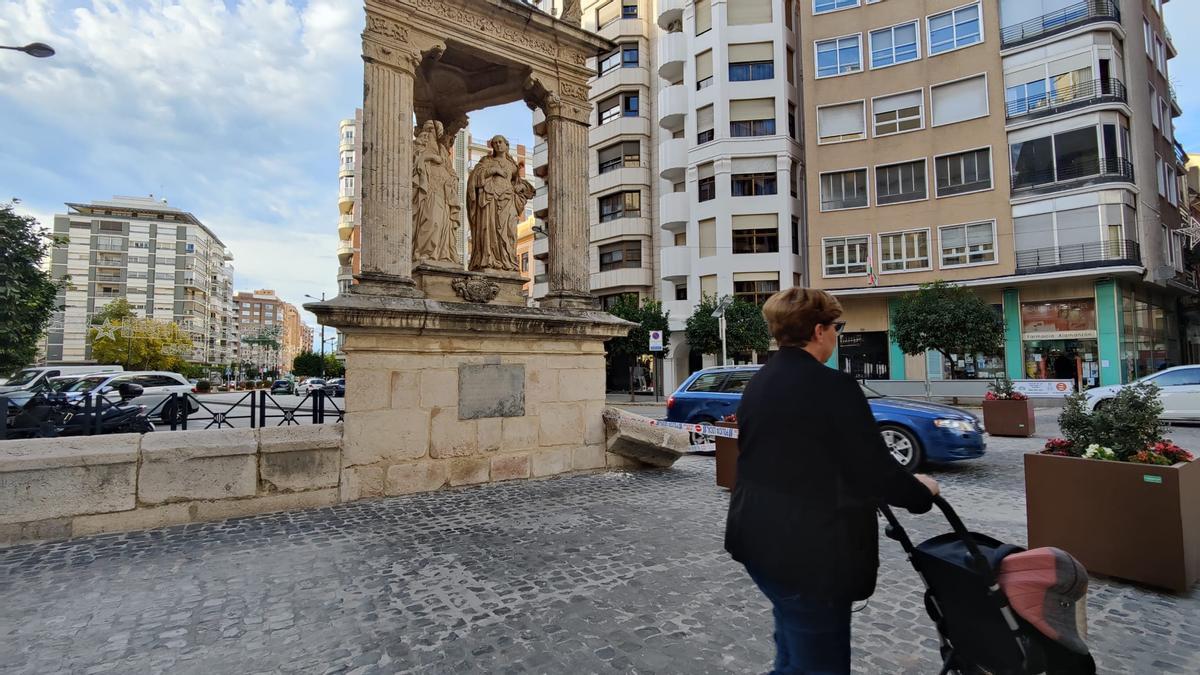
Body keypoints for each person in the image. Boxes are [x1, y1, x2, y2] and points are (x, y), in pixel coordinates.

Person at [725, 287, 939, 675]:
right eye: (837, 327)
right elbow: (874, 467)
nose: (837, 335)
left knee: (792, 654)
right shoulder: (832, 386)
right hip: (809, 553)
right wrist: (922, 491)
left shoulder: (760, 381)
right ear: (819, 330)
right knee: (819, 664)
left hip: (758, 538)